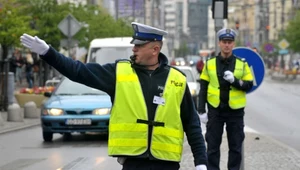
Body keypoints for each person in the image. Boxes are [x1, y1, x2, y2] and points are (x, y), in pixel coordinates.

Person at [20, 22, 207, 170]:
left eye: (139, 46)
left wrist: (201, 161)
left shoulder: (176, 79)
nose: (133, 49)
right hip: (133, 163)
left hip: (167, 163)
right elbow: (79, 71)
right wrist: (48, 53)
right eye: (134, 45)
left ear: (155, 49)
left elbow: (192, 124)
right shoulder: (119, 72)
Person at [197, 28, 253, 170]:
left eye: (229, 42)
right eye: (224, 42)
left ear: (233, 44)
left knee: (235, 148)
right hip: (215, 111)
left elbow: (249, 84)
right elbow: (203, 88)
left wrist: (235, 81)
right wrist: (201, 110)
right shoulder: (209, 64)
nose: (227, 45)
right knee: (212, 148)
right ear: (219, 43)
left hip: (235, 113)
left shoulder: (242, 64)